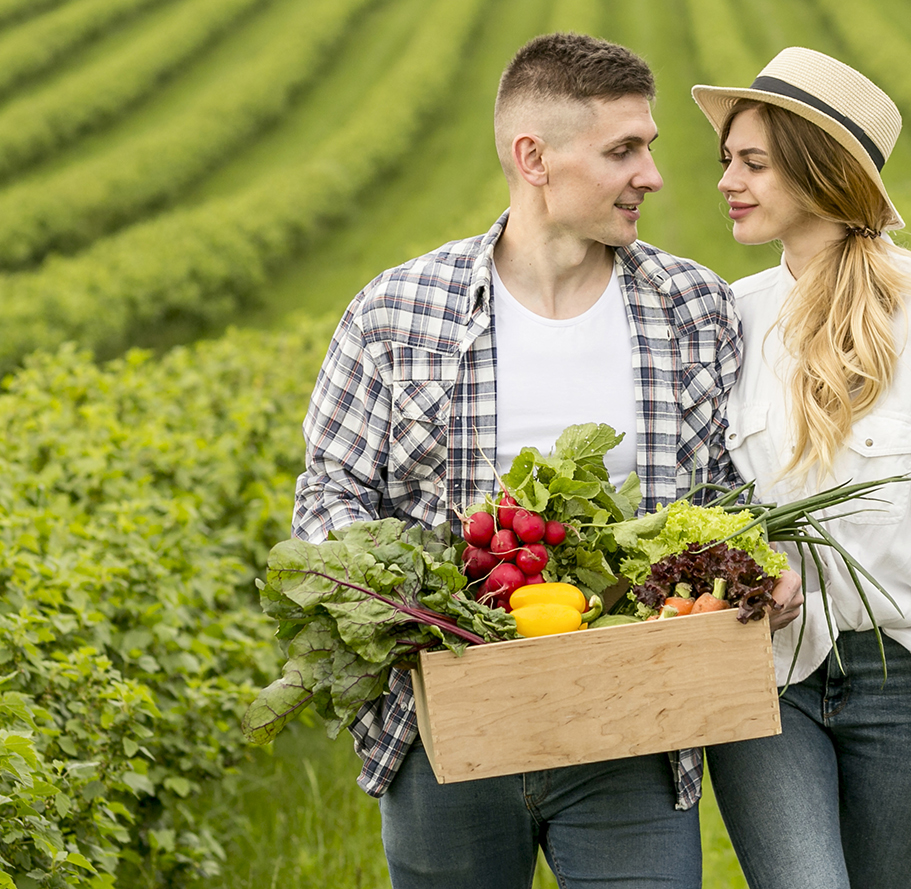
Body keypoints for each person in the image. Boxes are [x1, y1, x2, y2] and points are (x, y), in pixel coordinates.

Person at [292, 33, 761, 888]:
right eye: (623, 150)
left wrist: (741, 569)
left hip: (632, 728)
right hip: (451, 727)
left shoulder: (694, 307)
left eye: (649, 147)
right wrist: (408, 610)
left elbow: (732, 497)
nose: (651, 175)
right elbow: (332, 490)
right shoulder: (399, 312)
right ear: (533, 157)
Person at [693, 47, 911, 889]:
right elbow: (705, 498)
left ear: (817, 173)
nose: (728, 180)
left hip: (899, 685)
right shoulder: (735, 316)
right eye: (726, 160)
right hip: (768, 675)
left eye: (754, 162)